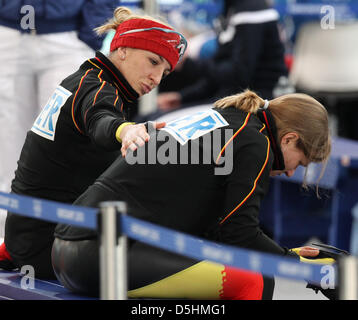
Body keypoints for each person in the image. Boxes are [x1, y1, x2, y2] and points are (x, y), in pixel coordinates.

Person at [52, 89, 332, 299]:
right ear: (289, 139)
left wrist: (286, 253)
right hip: (99, 256)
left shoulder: (229, 119)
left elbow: (217, 230)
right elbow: (239, 233)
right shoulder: (255, 142)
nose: (291, 172)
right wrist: (294, 264)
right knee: (253, 280)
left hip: (70, 251)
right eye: (301, 161)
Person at [0, 6, 188, 279]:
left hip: (29, 237)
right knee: (226, 276)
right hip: (50, 248)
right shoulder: (98, 89)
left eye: (166, 72)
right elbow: (101, 119)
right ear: (123, 49)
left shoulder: (85, 79)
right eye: (153, 61)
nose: (157, 79)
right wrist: (124, 131)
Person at [0, 1, 116, 235]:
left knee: (65, 132)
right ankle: (8, 233)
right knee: (7, 135)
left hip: (67, 37)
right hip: (7, 34)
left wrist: (90, 31)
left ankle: (63, 231)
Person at [154, 0, 288, 115]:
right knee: (153, 117)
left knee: (159, 124)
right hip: (233, 99)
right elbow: (220, 75)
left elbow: (239, 75)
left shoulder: (251, 11)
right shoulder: (232, 9)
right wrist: (182, 97)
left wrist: (188, 65)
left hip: (255, 105)